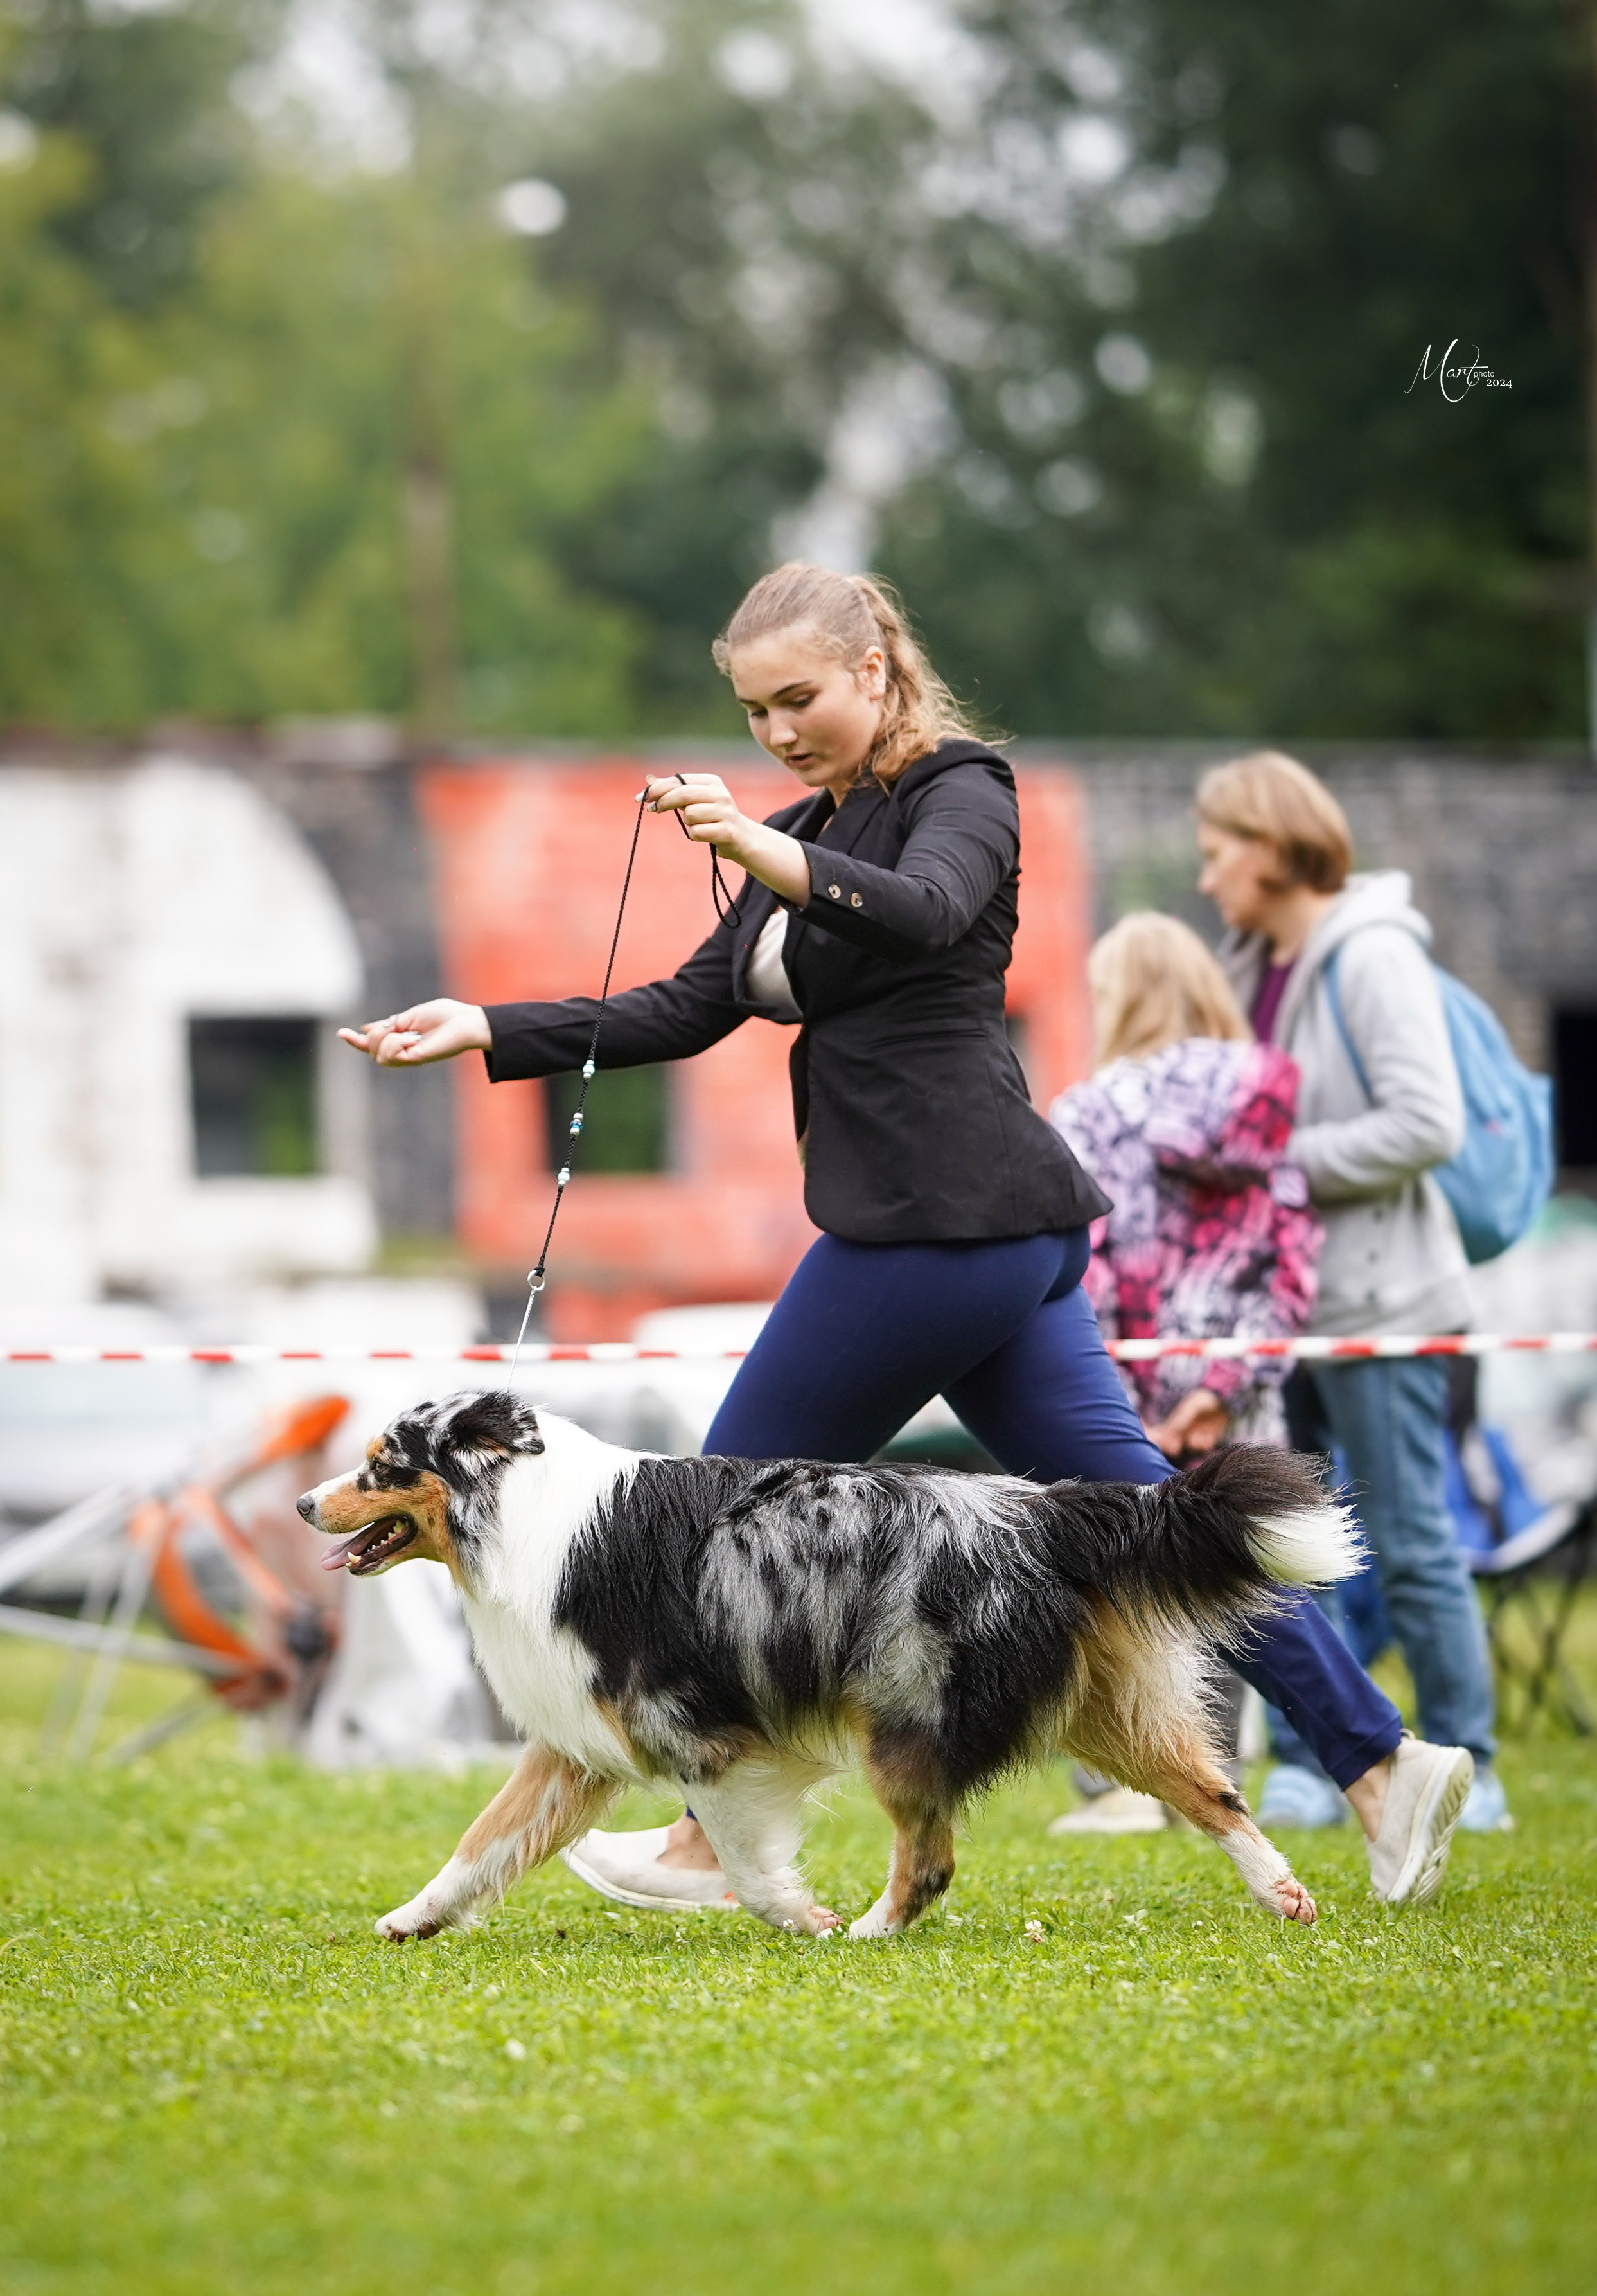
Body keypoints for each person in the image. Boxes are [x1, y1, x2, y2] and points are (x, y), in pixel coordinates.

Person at [340, 564, 1473, 1909]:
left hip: (939, 1226)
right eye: (753, 711)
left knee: (712, 1517)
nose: (776, 731)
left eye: (798, 698)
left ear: (875, 670)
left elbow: (925, 910)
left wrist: (760, 850)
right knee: (1158, 1527)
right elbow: (685, 1007)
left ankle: (708, 1841)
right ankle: (1382, 1763)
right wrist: (485, 1025)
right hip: (987, 1237)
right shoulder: (802, 825)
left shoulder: (963, 790)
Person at [1196, 750, 1507, 1834]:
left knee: (1412, 1543)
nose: (1206, 877)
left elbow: (1427, 1124)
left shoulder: (1372, 954)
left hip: (1385, 1309)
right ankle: (1313, 1762)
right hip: (1283, 1315)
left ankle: (1474, 1761)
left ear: (1273, 845)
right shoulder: (1248, 963)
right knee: (1294, 1544)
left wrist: (1272, 1166)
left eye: (1217, 851)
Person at [1044, 912, 1325, 1834]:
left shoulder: (1089, 1111)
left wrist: (1122, 1404)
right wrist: (1217, 1388)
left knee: (1122, 1581)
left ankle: (1133, 1787)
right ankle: (1227, 1774)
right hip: (1239, 1391)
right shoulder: (1266, 1101)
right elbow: (1292, 1266)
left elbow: (1073, 1267)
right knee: (1244, 1576)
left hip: (1118, 1386)